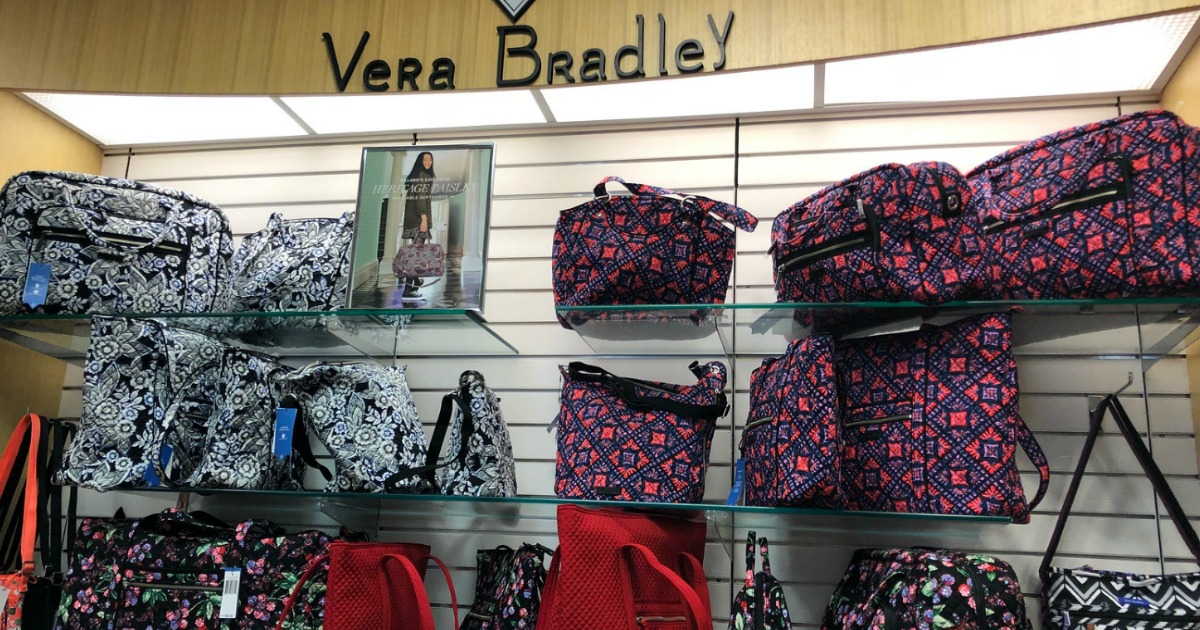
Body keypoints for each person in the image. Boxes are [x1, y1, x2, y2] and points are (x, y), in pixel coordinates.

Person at [400, 151, 435, 297]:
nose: (428, 162)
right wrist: (424, 219)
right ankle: (407, 291)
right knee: (415, 255)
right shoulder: (423, 175)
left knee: (415, 253)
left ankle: (415, 282)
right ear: (420, 161)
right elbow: (421, 199)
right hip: (418, 220)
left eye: (430, 160)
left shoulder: (417, 175)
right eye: (425, 159)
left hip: (412, 219)